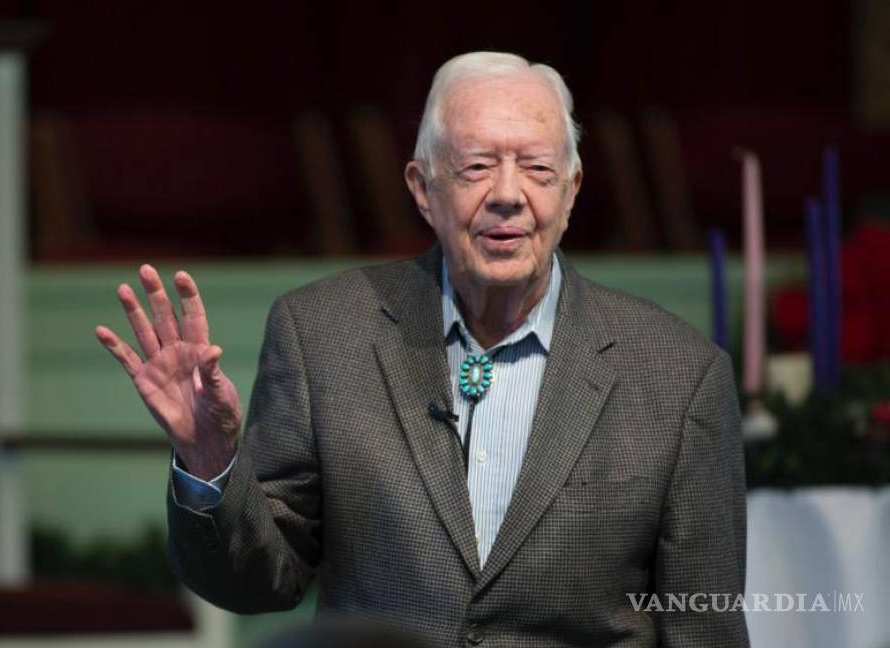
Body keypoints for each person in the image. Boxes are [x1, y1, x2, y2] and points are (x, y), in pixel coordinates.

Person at [96, 51, 748, 647]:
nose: (507, 194)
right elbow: (256, 582)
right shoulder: (324, 335)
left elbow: (705, 629)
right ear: (422, 188)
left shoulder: (677, 375)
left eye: (539, 169)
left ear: (571, 191)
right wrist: (209, 457)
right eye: (476, 167)